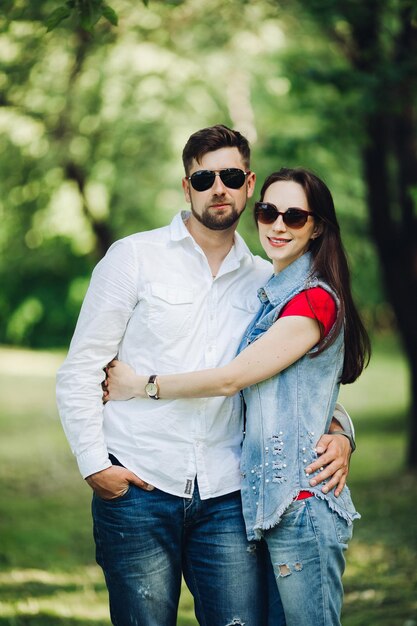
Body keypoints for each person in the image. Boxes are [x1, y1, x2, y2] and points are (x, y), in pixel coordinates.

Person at [56, 125, 355, 626]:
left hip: (228, 495)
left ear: (248, 184)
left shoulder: (267, 278)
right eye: (204, 178)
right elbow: (82, 368)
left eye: (231, 176)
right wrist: (95, 466)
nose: (218, 188)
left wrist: (342, 432)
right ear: (186, 185)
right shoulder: (134, 257)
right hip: (139, 484)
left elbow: (296, 381)